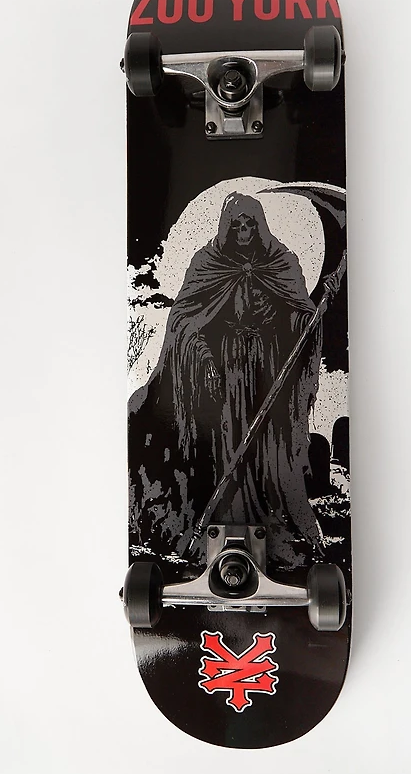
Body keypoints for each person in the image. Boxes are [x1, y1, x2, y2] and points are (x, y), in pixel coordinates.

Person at [128, 192, 323, 568]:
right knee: (227, 445)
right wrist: (206, 360)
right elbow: (184, 320)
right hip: (223, 374)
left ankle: (268, 520)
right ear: (226, 228)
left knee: (262, 448)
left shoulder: (280, 262)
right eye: (237, 225)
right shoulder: (208, 263)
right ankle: (223, 518)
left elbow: (297, 313)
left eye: (250, 224)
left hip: (264, 371)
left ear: (260, 226)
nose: (244, 232)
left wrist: (308, 319)